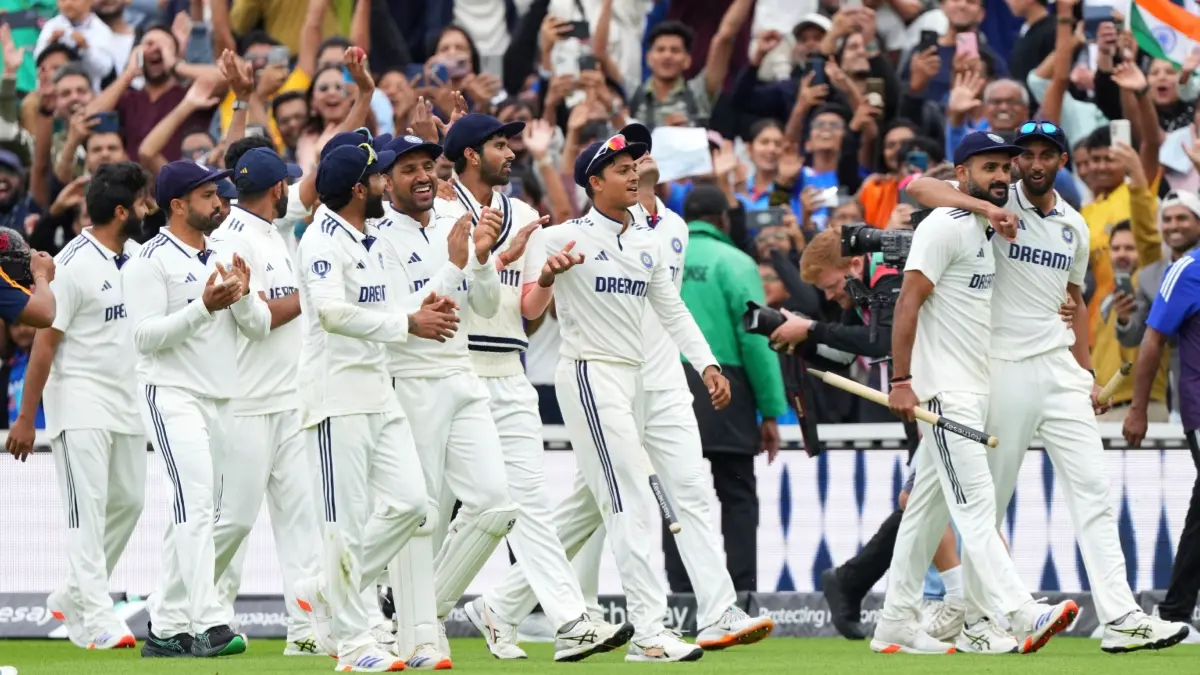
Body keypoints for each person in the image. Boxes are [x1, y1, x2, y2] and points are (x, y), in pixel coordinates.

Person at [905, 121, 1191, 653]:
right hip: (1002, 368)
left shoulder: (1076, 226)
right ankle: (975, 615)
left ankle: (1122, 618)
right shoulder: (989, 202)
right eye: (1026, 155)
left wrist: (1085, 375)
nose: (1035, 164)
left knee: (1094, 494)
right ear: (1015, 162)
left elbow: (1076, 301)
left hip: (1059, 371)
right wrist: (989, 210)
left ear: (1063, 161)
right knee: (990, 505)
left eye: (1046, 155)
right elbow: (919, 188)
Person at [545, 153, 778, 652]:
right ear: (594, 181)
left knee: (673, 494)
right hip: (593, 375)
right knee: (624, 503)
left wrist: (707, 364)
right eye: (622, 166)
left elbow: (673, 310)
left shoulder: (658, 235)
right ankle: (647, 633)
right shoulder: (559, 234)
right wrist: (540, 276)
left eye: (637, 162)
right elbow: (524, 306)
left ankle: (716, 611)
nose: (634, 170)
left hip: (653, 380)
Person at [437, 115, 631, 662]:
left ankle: (570, 622)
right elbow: (451, 294)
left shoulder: (523, 214)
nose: (511, 151)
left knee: (530, 506)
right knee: (443, 510)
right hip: (454, 373)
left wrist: (546, 278)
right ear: (472, 155)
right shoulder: (441, 214)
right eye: (500, 144)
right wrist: (492, 256)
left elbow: (526, 313)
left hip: (511, 374)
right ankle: (411, 607)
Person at [874, 131, 1076, 655]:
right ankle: (1015, 610)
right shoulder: (947, 224)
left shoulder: (988, 224)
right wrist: (901, 381)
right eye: (990, 168)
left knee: (926, 513)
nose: (1002, 177)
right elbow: (907, 303)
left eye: (1005, 169)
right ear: (961, 173)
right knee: (977, 506)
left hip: (974, 389)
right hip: (944, 394)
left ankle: (894, 621)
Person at [290, 143, 458, 672]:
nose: (389, 184)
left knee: (413, 506)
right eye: (379, 178)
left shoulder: (371, 239)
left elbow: (382, 310)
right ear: (361, 189)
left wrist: (419, 308)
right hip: (335, 394)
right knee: (344, 521)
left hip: (379, 392)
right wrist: (408, 324)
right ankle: (354, 644)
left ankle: (322, 589)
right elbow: (333, 313)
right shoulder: (321, 239)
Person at [123, 160, 271, 658]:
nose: (220, 203)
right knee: (198, 505)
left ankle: (165, 628)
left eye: (220, 194)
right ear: (179, 205)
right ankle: (209, 623)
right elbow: (143, 338)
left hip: (221, 394)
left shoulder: (224, 255)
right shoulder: (149, 259)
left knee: (195, 511)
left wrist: (243, 297)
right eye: (209, 195)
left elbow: (258, 328)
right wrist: (203, 308)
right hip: (170, 392)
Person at [5, 161, 150, 650]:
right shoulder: (70, 263)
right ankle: (97, 618)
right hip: (80, 403)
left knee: (128, 504)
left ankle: (72, 592)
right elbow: (44, 344)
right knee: (86, 512)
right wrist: (27, 417)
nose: (149, 208)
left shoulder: (137, 257)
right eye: (144, 201)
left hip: (129, 403)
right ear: (121, 210)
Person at [206, 147, 322, 657]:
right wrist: (313, 295)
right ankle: (178, 611)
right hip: (244, 403)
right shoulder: (228, 241)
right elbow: (253, 323)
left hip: (289, 399)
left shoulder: (273, 232)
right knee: (232, 519)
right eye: (287, 187)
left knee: (302, 524)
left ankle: (307, 630)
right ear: (277, 189)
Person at [1124, 230, 1200, 645]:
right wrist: (1137, 408)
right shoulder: (1187, 269)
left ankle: (1175, 612)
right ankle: (1175, 610)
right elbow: (1153, 338)